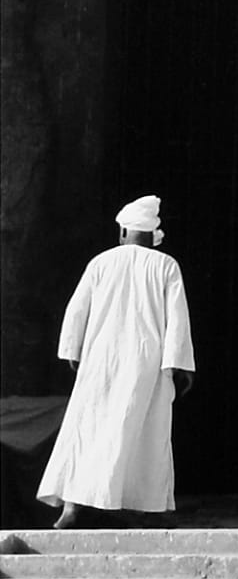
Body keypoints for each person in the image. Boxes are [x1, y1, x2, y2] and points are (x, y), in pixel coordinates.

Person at [37, 195, 195, 529]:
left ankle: (73, 506)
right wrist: (179, 364)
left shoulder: (100, 263)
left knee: (89, 429)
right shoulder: (166, 266)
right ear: (153, 236)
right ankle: (152, 509)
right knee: (147, 433)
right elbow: (177, 319)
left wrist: (72, 351)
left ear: (123, 231)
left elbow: (76, 309)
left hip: (101, 363)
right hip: (147, 365)